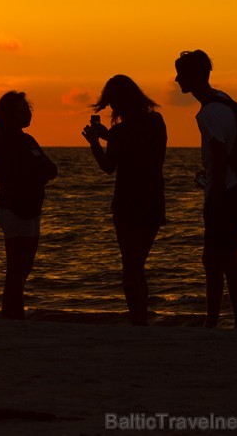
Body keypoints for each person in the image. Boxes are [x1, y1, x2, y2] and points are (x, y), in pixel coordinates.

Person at [81, 75, 167, 326]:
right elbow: (142, 150)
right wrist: (111, 138)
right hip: (153, 199)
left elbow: (109, 166)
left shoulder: (121, 131)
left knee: (130, 266)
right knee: (138, 263)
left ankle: (137, 319)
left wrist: (95, 143)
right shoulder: (156, 121)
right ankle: (141, 318)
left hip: (128, 202)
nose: (112, 109)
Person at [175, 50, 237, 330]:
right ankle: (220, 320)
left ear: (195, 76)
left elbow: (219, 156)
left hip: (226, 193)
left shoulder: (209, 112)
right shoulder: (223, 100)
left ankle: (224, 321)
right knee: (218, 258)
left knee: (222, 259)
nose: (177, 79)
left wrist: (213, 196)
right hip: (235, 188)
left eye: (181, 73)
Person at [0, 91, 58, 319]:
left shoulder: (27, 140)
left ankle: (14, 312)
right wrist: (38, 171)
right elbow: (23, 172)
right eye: (23, 110)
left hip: (32, 207)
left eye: (29, 109)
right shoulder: (6, 142)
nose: (29, 113)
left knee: (24, 266)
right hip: (14, 208)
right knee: (17, 266)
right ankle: (13, 315)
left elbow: (50, 169)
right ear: (11, 114)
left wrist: (38, 171)